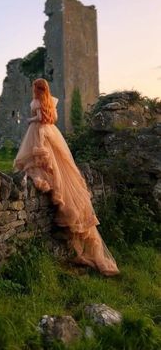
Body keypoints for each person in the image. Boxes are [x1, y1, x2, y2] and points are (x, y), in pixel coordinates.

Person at [14, 78, 119, 276]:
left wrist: (29, 120)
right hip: (51, 133)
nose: (33, 91)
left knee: (45, 164)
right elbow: (50, 118)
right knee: (59, 163)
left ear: (37, 89)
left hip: (39, 134)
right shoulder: (51, 101)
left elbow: (39, 118)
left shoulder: (37, 103)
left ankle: (51, 184)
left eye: (34, 88)